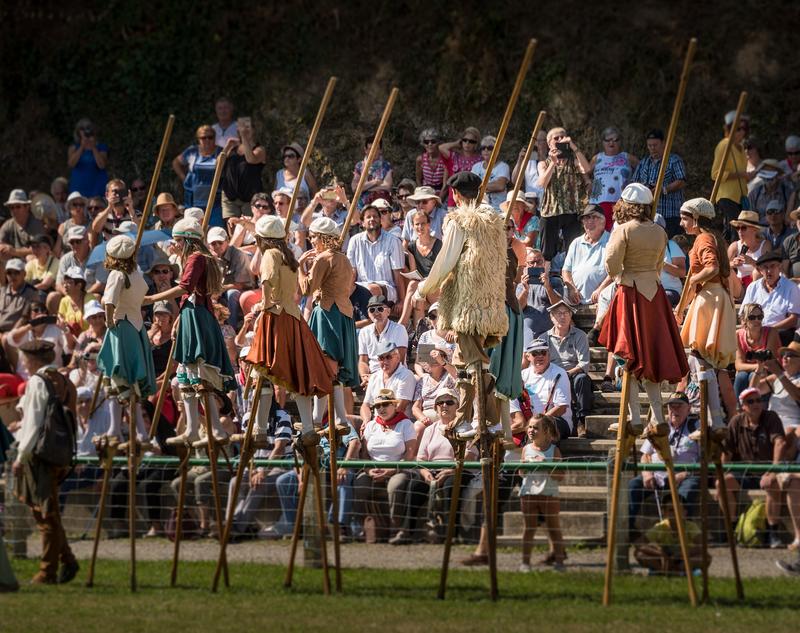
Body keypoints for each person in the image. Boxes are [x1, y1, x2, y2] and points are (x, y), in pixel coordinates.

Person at [415, 171, 509, 437]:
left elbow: (445, 261)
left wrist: (423, 289)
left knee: (473, 362)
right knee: (462, 360)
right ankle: (479, 417)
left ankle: (479, 417)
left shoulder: (461, 221)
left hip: (469, 305)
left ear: (456, 194)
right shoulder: (495, 221)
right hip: (489, 304)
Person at [600, 183, 689, 432]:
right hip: (655, 294)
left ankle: (636, 419)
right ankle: (658, 418)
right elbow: (660, 264)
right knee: (649, 356)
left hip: (629, 293)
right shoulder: (660, 232)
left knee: (627, 358)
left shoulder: (623, 230)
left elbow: (611, 264)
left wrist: (622, 275)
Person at [245, 215, 335, 443]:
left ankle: (260, 429)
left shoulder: (270, 254)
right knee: (298, 374)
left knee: (263, 373)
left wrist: (262, 308)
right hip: (293, 318)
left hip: (275, 317)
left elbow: (267, 281)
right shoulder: (289, 257)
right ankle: (307, 428)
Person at [145, 218, 235, 445]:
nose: (174, 245)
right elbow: (187, 296)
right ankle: (194, 428)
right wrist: (178, 322)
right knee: (186, 376)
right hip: (190, 316)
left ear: (186, 240)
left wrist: (152, 298)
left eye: (177, 241)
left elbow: (185, 287)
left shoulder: (197, 258)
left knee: (199, 376)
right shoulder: (194, 258)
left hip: (197, 318)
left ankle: (215, 428)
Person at [11, 340, 79, 584]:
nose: (23, 363)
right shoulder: (65, 382)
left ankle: (47, 571)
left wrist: (21, 457)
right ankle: (68, 560)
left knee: (45, 515)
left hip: (40, 456)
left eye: (25, 358)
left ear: (34, 360)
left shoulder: (37, 382)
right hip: (59, 453)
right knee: (47, 513)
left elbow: (33, 424)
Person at [298, 216, 360, 429]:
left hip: (327, 313)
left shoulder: (323, 258)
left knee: (326, 367)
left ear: (323, 238)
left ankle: (327, 418)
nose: (312, 241)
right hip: (342, 314)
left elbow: (306, 288)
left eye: (314, 237)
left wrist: (300, 267)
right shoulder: (344, 258)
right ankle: (333, 418)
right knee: (331, 370)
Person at [95, 235, 156, 445]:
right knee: (131, 384)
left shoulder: (117, 274)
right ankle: (139, 431)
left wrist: (109, 321)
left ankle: (115, 429)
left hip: (121, 326)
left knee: (115, 377)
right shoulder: (136, 274)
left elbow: (109, 301)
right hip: (136, 328)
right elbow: (140, 300)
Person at [719, 387, 786, 549]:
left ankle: (772, 533)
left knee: (771, 484)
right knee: (722, 483)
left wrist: (774, 471)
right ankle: (733, 531)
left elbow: (780, 442)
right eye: (751, 401)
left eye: (758, 400)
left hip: (768, 471)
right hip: (745, 474)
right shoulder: (736, 421)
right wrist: (721, 473)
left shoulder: (771, 417)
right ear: (743, 406)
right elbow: (726, 451)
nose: (756, 404)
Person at [627, 392, 701, 537]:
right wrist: (647, 474)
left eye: (679, 406)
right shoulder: (660, 427)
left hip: (684, 476)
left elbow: (705, 457)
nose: (674, 410)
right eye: (671, 406)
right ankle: (628, 530)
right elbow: (645, 455)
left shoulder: (696, 427)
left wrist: (684, 474)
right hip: (657, 476)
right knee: (633, 486)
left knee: (687, 491)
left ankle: (684, 533)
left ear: (689, 408)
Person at [353, 389, 419, 544]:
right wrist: (369, 470)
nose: (381, 409)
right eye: (377, 406)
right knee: (359, 483)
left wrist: (391, 470)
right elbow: (364, 454)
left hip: (400, 468)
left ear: (394, 405)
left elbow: (409, 455)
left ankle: (396, 529)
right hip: (373, 470)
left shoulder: (406, 424)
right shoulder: (370, 426)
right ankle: (364, 528)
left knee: (395, 486)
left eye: (385, 404)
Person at [416, 388, 464, 543]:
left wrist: (449, 471)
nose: (444, 405)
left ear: (457, 406)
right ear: (436, 407)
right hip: (431, 471)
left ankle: (449, 534)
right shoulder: (430, 429)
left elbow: (469, 456)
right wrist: (425, 473)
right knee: (411, 484)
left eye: (449, 402)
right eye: (440, 403)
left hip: (456, 470)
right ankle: (407, 531)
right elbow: (421, 459)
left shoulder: (465, 428)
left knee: (450, 486)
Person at [536, 127, 591, 263]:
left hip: (571, 211)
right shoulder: (544, 163)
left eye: (563, 137)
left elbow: (587, 168)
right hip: (550, 211)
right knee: (546, 251)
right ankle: (545, 279)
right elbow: (542, 183)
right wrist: (553, 163)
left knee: (573, 250)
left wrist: (573, 146)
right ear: (549, 143)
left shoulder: (573, 161)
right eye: (556, 138)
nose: (560, 140)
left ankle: (569, 280)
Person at [518, 414, 565, 571]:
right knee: (528, 528)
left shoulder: (554, 450)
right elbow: (521, 473)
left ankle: (559, 562)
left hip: (548, 493)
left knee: (553, 528)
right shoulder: (526, 449)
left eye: (535, 428)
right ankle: (525, 563)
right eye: (530, 427)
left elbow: (560, 476)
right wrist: (525, 465)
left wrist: (546, 466)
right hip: (528, 492)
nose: (531, 430)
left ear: (546, 431)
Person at [545, 300, 591, 437]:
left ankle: (582, 421)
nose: (562, 316)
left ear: (571, 315)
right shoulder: (544, 337)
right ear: (551, 317)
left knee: (582, 379)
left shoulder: (580, 335)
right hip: (553, 375)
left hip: (573, 373)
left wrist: (566, 374)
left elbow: (584, 363)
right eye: (558, 313)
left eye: (566, 313)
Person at [631, 129, 687, 237]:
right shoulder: (644, 163)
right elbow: (634, 182)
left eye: (655, 145)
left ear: (663, 143)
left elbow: (682, 181)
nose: (652, 148)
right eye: (650, 145)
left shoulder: (673, 160)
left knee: (671, 244)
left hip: (670, 213)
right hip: (649, 214)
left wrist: (663, 189)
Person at [346, 204, 405, 305]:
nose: (372, 219)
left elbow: (398, 274)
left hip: (387, 288)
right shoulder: (354, 241)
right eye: (368, 217)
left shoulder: (393, 241)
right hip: (360, 286)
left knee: (371, 289)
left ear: (380, 220)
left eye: (375, 216)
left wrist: (402, 301)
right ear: (362, 223)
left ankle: (365, 319)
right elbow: (353, 272)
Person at [741, 251, 800, 345]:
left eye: (772, 266)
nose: (769, 271)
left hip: (780, 333)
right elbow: (743, 314)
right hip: (755, 332)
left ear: (779, 267)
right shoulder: (753, 287)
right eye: (765, 267)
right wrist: (750, 329)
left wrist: (768, 331)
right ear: (760, 270)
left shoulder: (791, 287)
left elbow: (793, 319)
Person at [711, 111, 753, 241]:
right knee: (736, 232)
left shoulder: (740, 147)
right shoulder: (724, 145)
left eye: (744, 129)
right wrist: (740, 174)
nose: (741, 132)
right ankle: (730, 259)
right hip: (727, 196)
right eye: (738, 129)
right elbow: (715, 174)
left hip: (740, 197)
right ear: (730, 129)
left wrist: (747, 176)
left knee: (734, 232)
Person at [172, 125, 224, 228]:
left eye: (210, 137)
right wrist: (184, 178)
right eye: (203, 138)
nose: (207, 140)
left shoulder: (221, 152)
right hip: (192, 201)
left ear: (215, 138)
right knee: (192, 230)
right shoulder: (192, 151)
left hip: (215, 202)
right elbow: (176, 163)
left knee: (214, 231)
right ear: (198, 139)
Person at [520, 339, 573, 440]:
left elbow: (561, 408)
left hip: (556, 420)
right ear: (528, 357)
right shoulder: (523, 375)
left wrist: (538, 423)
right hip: (530, 422)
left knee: (545, 429)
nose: (540, 356)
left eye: (543, 353)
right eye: (535, 353)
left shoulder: (559, 373)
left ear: (549, 355)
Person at [588, 126, 639, 230]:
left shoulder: (626, 157)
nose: (612, 143)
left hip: (621, 202)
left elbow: (643, 168)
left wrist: (635, 184)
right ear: (603, 142)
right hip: (599, 202)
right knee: (599, 231)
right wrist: (587, 182)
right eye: (608, 140)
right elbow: (585, 170)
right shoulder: (597, 158)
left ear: (620, 142)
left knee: (618, 231)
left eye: (615, 140)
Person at [206, 226, 255, 330]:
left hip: (243, 289)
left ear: (227, 241)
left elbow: (241, 284)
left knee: (231, 294)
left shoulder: (238, 255)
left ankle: (230, 328)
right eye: (213, 243)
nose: (217, 246)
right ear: (209, 245)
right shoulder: (210, 258)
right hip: (223, 288)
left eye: (220, 242)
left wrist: (220, 289)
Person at [561, 204, 611, 305]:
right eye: (586, 218)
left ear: (603, 221)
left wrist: (601, 289)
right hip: (574, 297)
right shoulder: (576, 242)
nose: (590, 221)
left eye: (594, 217)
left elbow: (616, 272)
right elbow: (566, 270)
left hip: (603, 297)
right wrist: (571, 288)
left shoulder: (611, 241)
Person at [517, 247, 565, 349]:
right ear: (526, 265)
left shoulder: (555, 281)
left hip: (549, 333)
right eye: (532, 263)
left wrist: (547, 287)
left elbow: (559, 306)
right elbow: (519, 308)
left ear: (544, 263)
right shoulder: (521, 285)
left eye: (539, 262)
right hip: (527, 333)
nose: (535, 265)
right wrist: (525, 290)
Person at [219, 119, 266, 221]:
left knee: (249, 226)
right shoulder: (232, 148)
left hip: (250, 197)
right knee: (231, 226)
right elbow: (218, 165)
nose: (244, 129)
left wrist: (244, 137)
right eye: (241, 127)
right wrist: (227, 146)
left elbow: (251, 159)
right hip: (230, 195)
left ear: (254, 130)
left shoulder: (259, 149)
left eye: (247, 127)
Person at [360, 341, 417, 422]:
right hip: (377, 422)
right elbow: (365, 405)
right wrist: (366, 421)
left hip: (400, 424)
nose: (385, 362)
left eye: (388, 357)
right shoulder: (374, 377)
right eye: (381, 358)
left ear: (397, 358)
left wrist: (381, 424)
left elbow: (400, 408)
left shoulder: (406, 375)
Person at [734, 303, 781, 397]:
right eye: (752, 317)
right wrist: (758, 366)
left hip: (769, 371)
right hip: (755, 369)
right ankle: (738, 409)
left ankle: (758, 408)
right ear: (744, 320)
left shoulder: (771, 332)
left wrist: (758, 367)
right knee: (741, 376)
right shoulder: (738, 335)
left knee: (753, 376)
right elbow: (738, 365)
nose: (757, 320)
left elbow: (768, 362)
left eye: (760, 317)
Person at [358, 294, 408, 381]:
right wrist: (364, 376)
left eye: (380, 309)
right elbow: (362, 361)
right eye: (372, 310)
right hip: (372, 377)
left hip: (396, 375)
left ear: (388, 312)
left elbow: (399, 361)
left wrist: (376, 379)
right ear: (369, 314)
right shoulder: (364, 331)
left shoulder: (399, 329)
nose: (376, 313)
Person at [438, 126, 482, 209]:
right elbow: (441, 148)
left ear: (476, 143)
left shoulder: (480, 159)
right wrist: (456, 143)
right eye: (465, 140)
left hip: (472, 201)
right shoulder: (454, 156)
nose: (467, 143)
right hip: (454, 200)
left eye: (471, 141)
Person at [728, 210, 770, 289]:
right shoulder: (734, 246)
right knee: (728, 272)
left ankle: (753, 299)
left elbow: (768, 268)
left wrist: (752, 262)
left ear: (754, 229)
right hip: (740, 285)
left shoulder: (765, 245)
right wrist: (733, 264)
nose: (739, 231)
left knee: (756, 272)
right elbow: (723, 267)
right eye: (737, 228)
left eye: (743, 228)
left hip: (759, 285)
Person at [67, 118, 108, 198]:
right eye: (82, 128)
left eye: (88, 127)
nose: (86, 130)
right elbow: (71, 164)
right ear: (78, 131)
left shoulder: (101, 147)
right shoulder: (73, 148)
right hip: (78, 188)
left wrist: (93, 146)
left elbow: (102, 165)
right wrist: (82, 146)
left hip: (97, 188)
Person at [1, 189, 44, 261]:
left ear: (27, 207)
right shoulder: (8, 224)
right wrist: (4, 248)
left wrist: (14, 251)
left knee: (31, 258)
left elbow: (38, 248)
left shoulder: (36, 224)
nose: (14, 210)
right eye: (11, 207)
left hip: (29, 262)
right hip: (13, 263)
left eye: (18, 206)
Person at [0, 258, 39, 336]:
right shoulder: (2, 291)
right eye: (9, 273)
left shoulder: (31, 293)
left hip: (16, 333)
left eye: (16, 272)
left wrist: (10, 335)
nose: (12, 276)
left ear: (24, 274)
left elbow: (24, 319)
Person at [470, 135, 510, 210]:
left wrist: (478, 187)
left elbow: (500, 186)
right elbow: (471, 187)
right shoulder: (476, 167)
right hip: (479, 209)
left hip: (498, 209)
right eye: (483, 148)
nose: (486, 150)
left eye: (490, 148)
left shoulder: (503, 167)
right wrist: (491, 186)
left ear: (497, 150)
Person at [352, 135, 392, 209]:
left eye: (376, 149)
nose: (373, 152)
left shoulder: (386, 165)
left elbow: (387, 186)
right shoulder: (359, 166)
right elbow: (355, 188)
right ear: (365, 150)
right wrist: (375, 182)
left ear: (380, 150)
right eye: (370, 149)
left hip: (380, 205)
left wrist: (365, 188)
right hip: (362, 205)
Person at [415, 128, 447, 199]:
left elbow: (445, 185)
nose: (430, 144)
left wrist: (438, 201)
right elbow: (418, 180)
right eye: (426, 142)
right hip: (425, 192)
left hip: (441, 192)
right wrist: (422, 195)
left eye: (433, 141)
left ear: (438, 143)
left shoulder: (444, 159)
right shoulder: (420, 159)